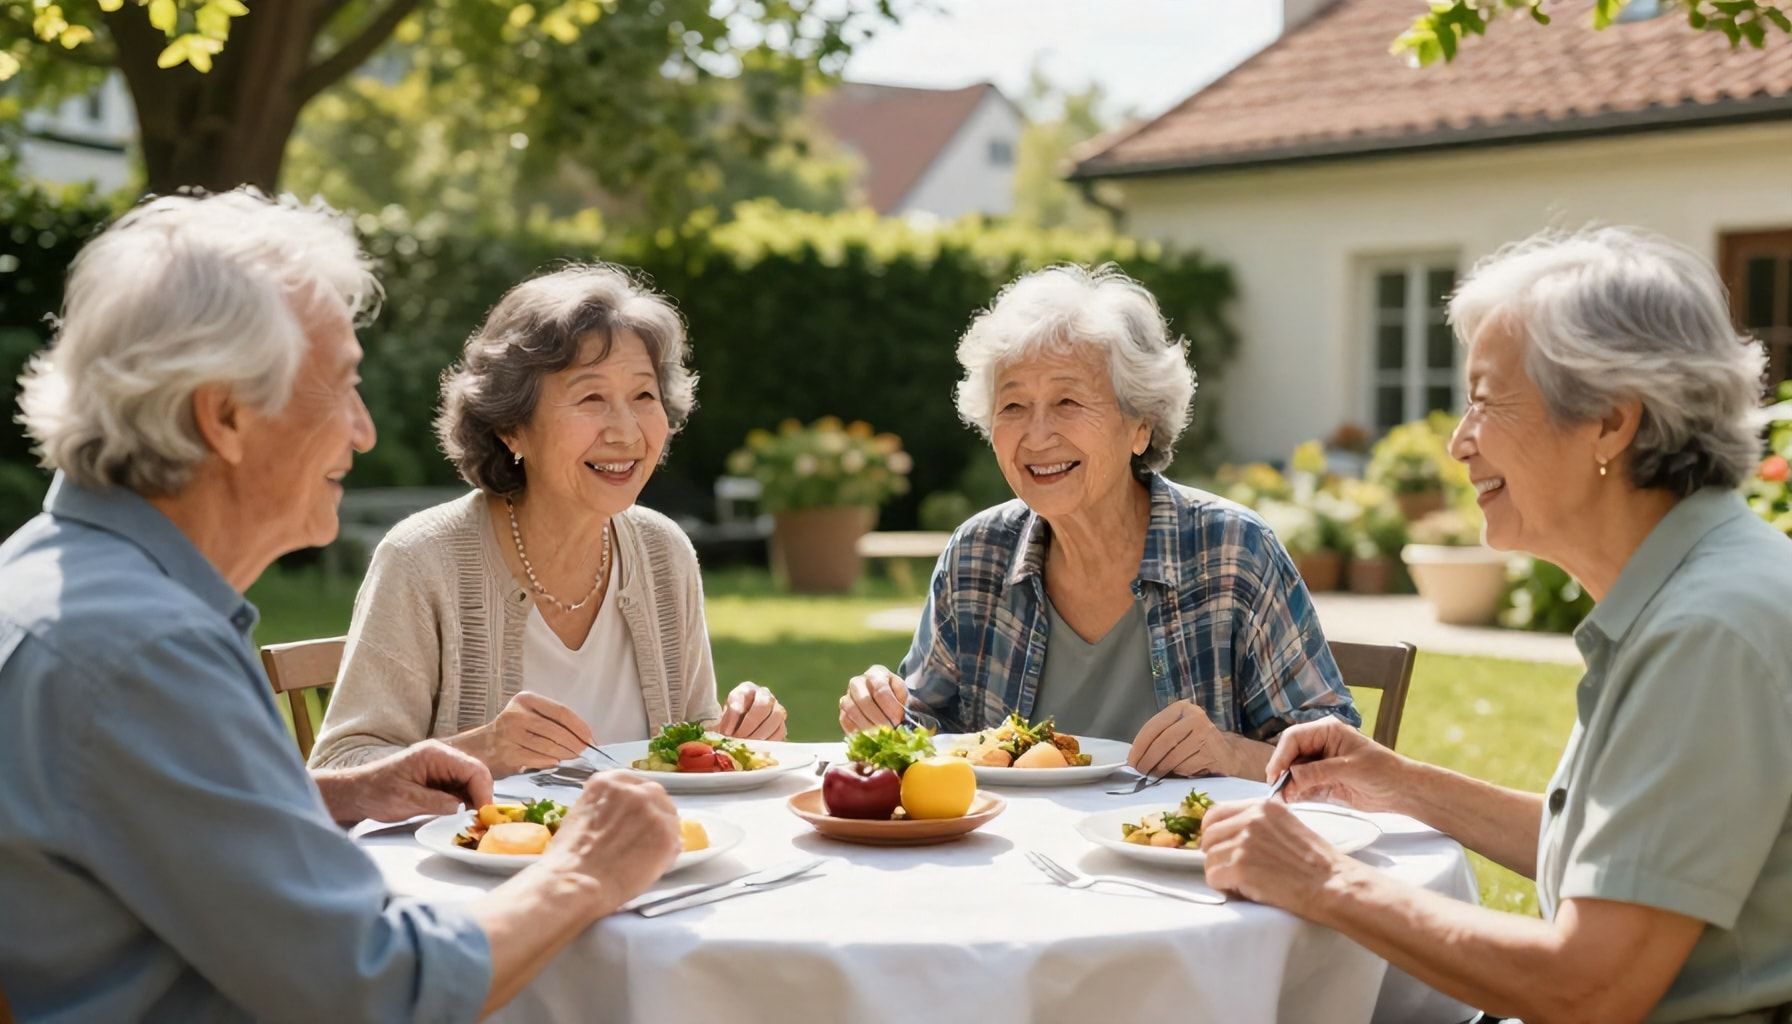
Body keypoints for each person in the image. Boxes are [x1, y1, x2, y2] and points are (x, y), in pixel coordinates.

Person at [0, 190, 683, 1021]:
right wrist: (585, 872)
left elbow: (146, 823)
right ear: (225, 416)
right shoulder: (144, 653)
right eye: (341, 387)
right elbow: (380, 991)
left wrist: (344, 794)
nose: (361, 430)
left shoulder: (60, 584)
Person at [1200, 227, 1792, 1023]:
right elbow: (1617, 859)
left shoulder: (1707, 629)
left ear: (1612, 423)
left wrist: (1321, 879)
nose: (1457, 442)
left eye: (1483, 400)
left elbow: (1588, 986)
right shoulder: (1698, 588)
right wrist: (1400, 784)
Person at [838, 264, 1359, 781]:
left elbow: (1340, 767)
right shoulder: (977, 554)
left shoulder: (1233, 550)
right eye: (1013, 405)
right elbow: (925, 734)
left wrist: (1229, 753)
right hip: (1016, 856)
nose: (1037, 436)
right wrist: (882, 712)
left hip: (1184, 855)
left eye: (1067, 401)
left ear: (1140, 425)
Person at [309, 265, 785, 776]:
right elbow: (339, 770)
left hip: (649, 851)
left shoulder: (662, 552)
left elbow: (693, 741)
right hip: (486, 854)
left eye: (644, 396)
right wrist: (480, 751)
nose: (626, 431)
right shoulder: (423, 558)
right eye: (591, 398)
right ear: (512, 427)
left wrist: (734, 735)